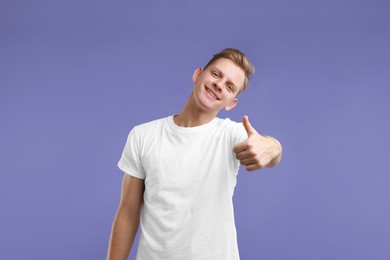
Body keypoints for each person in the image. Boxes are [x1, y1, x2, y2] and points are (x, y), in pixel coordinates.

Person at [107, 48, 282, 260]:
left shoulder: (231, 135)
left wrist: (270, 148)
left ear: (231, 103)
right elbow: (128, 212)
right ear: (198, 74)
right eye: (216, 74)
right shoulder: (143, 135)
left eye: (229, 86)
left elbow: (272, 151)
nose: (219, 85)